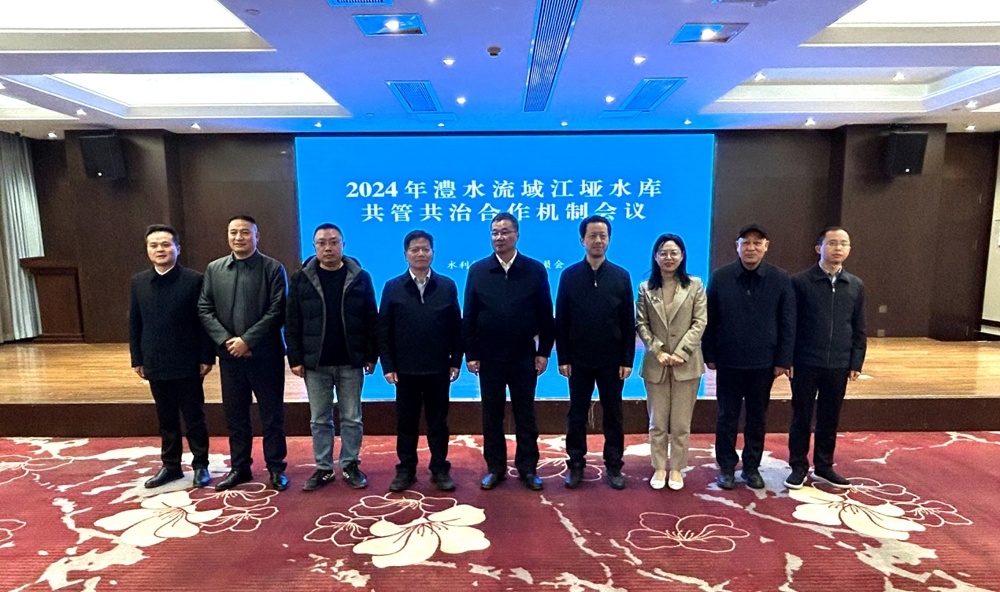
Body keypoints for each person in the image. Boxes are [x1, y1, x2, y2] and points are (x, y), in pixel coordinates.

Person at [464, 212, 554, 491]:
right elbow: (470, 315)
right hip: (489, 357)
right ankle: (496, 468)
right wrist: (471, 354)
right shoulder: (478, 270)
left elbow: (545, 313)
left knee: (525, 414)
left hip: (523, 355)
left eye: (505, 232)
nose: (499, 237)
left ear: (517, 235)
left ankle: (528, 469)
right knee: (491, 415)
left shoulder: (534, 269)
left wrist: (543, 352)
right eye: (495, 232)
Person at [199, 215, 289, 491]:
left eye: (245, 232)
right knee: (235, 415)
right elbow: (205, 308)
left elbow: (277, 310)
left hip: (266, 355)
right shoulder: (215, 269)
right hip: (230, 357)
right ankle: (240, 468)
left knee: (272, 415)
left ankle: (276, 468)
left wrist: (247, 341)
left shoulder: (273, 268)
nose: (239, 237)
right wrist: (228, 341)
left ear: (257, 236)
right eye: (233, 232)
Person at [703, 223, 795, 490]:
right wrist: (709, 353)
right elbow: (710, 318)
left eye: (757, 243)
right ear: (737, 247)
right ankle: (727, 467)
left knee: (757, 417)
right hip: (729, 360)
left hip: (763, 362)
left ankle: (752, 467)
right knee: (726, 416)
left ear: (766, 247)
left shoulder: (780, 278)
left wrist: (783, 360)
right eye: (746, 243)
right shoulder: (721, 277)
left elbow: (788, 321)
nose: (751, 248)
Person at [286, 223, 378, 491]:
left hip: (351, 361)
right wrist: (295, 358)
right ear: (314, 247)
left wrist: (371, 355)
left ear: (343, 245)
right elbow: (292, 321)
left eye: (334, 242)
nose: (328, 247)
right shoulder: (301, 278)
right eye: (322, 243)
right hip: (316, 363)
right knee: (319, 419)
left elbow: (371, 318)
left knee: (352, 418)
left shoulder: (361, 277)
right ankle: (324, 468)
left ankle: (350, 464)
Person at [129, 225, 215, 489]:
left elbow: (204, 321)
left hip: (188, 361)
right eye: (154, 245)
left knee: (194, 416)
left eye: (166, 245)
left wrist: (206, 356)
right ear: (147, 250)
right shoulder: (139, 282)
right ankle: (171, 466)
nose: (160, 250)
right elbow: (135, 322)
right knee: (166, 418)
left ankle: (200, 465)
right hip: (154, 360)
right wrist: (137, 358)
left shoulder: (194, 280)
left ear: (177, 248)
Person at [378, 230, 463, 493]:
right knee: (406, 423)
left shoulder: (447, 285)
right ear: (406, 255)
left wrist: (456, 360)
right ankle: (406, 470)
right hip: (405, 370)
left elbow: (456, 327)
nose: (420, 254)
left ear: (433, 253)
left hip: (439, 368)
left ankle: (439, 469)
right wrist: (388, 365)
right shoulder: (392, 287)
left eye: (425, 249)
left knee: (439, 423)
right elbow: (384, 329)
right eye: (415, 249)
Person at [556, 215, 634, 490]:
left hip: (612, 360)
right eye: (592, 236)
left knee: (613, 414)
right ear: (582, 240)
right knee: (576, 414)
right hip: (578, 359)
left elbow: (628, 321)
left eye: (603, 236)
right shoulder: (569, 275)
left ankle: (614, 465)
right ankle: (576, 464)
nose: (598, 240)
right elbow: (561, 319)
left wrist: (627, 359)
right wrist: (563, 357)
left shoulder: (621, 276)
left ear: (609, 240)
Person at [785, 227, 866, 490]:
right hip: (805, 361)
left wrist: (856, 361)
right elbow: (790, 323)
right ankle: (798, 466)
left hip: (839, 363)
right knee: (801, 416)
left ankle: (824, 466)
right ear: (819, 248)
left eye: (844, 243)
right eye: (832, 243)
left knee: (830, 417)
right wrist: (787, 358)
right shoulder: (800, 282)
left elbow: (859, 326)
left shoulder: (855, 285)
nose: (838, 248)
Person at [636, 233, 707, 491]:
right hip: (656, 363)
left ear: (682, 256)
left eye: (674, 252)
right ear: (655, 257)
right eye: (663, 253)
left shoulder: (695, 285)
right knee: (657, 422)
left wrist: (682, 352)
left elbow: (700, 321)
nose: (669, 257)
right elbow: (641, 323)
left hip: (686, 364)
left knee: (680, 423)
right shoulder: (645, 288)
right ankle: (658, 466)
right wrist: (657, 350)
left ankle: (676, 468)